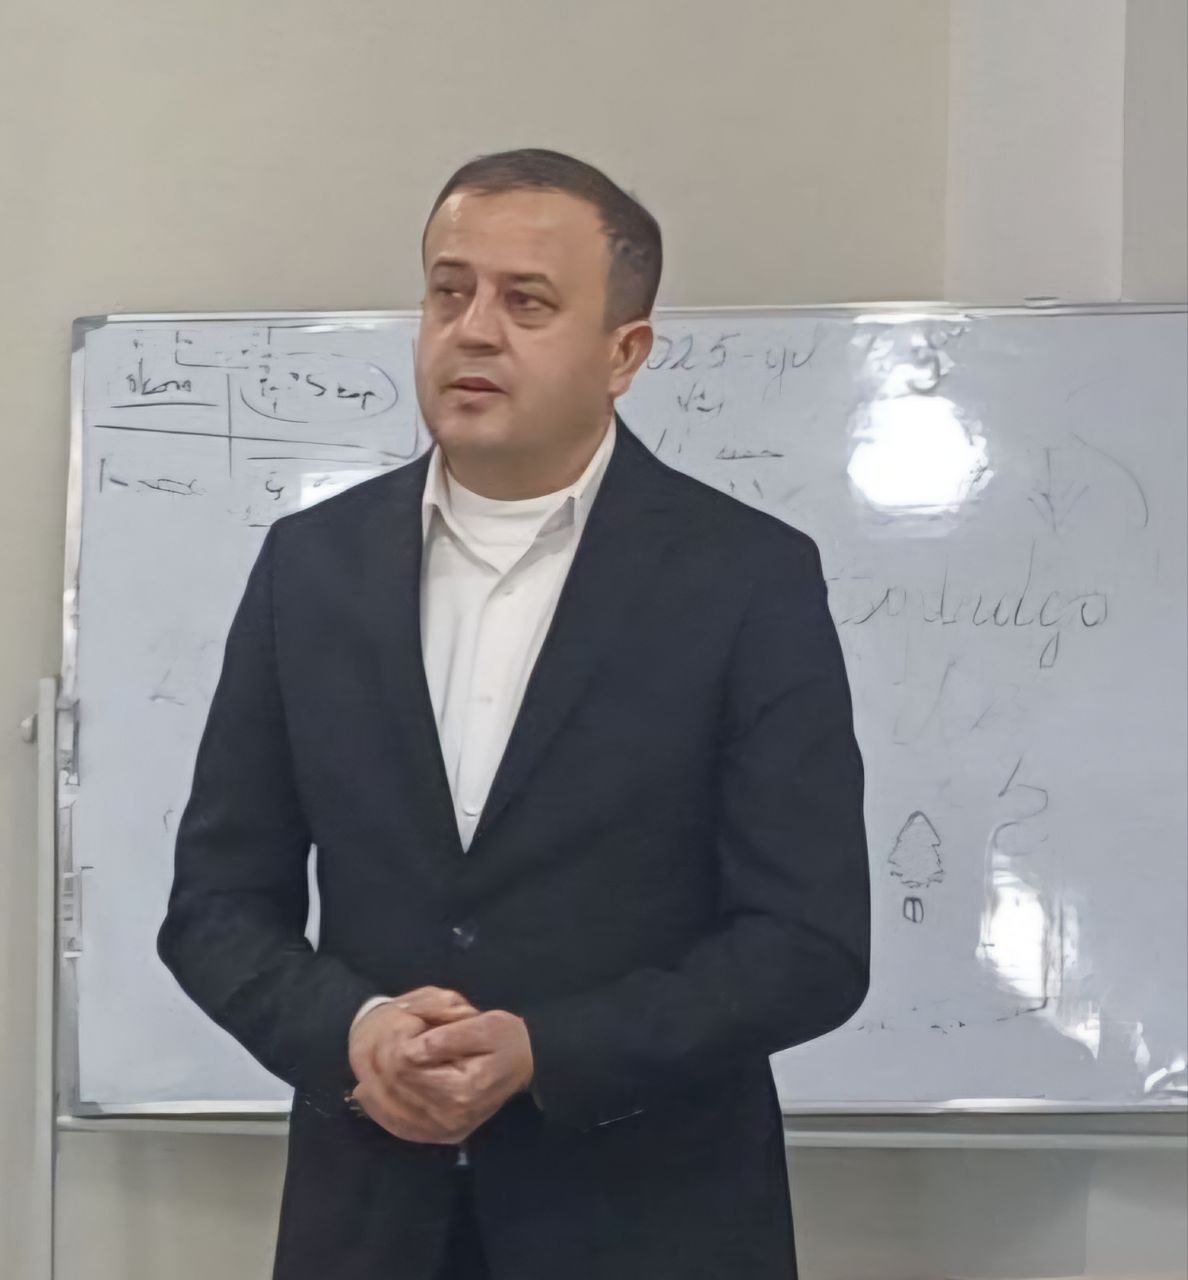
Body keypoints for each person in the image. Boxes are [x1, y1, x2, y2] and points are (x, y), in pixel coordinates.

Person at [157, 147, 871, 1280]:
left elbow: (809, 945)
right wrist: (356, 1032)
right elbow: (216, 906)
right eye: (450, 292)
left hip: (652, 1224)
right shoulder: (311, 567)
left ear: (624, 352)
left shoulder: (745, 578)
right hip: (371, 1223)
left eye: (526, 302)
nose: (474, 330)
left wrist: (547, 1050)